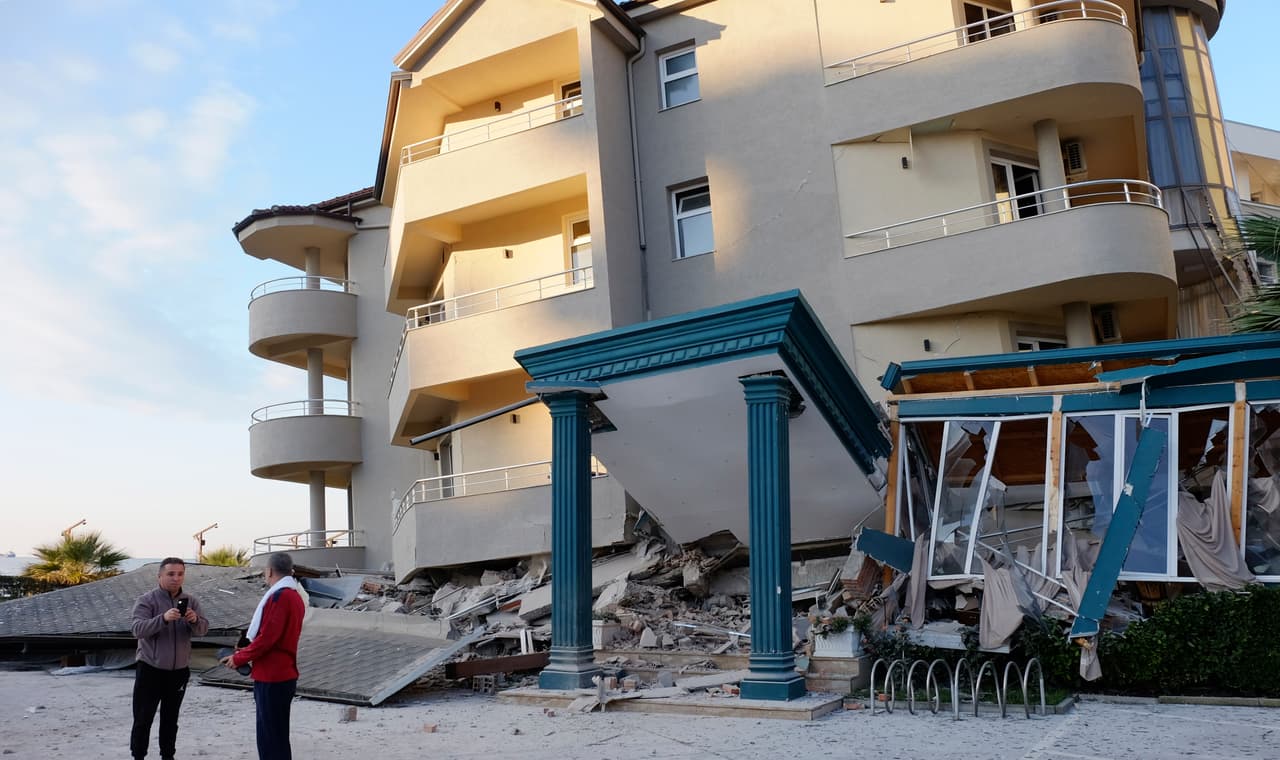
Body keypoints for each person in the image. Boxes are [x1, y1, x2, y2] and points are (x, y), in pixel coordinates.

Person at [221, 552, 305, 760]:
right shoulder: (295, 596)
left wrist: (239, 658)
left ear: (269, 571)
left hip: (272, 676)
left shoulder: (280, 596)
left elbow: (268, 638)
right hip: (283, 672)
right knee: (277, 735)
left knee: (270, 738)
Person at [131, 557, 209, 760]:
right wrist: (163, 618)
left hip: (179, 672)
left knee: (170, 719)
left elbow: (203, 630)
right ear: (159, 576)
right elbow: (137, 630)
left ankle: (168, 756)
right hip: (150, 669)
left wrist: (194, 620)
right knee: (143, 718)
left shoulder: (191, 601)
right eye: (171, 574)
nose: (176, 578)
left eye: (180, 574)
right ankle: (138, 756)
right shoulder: (146, 600)